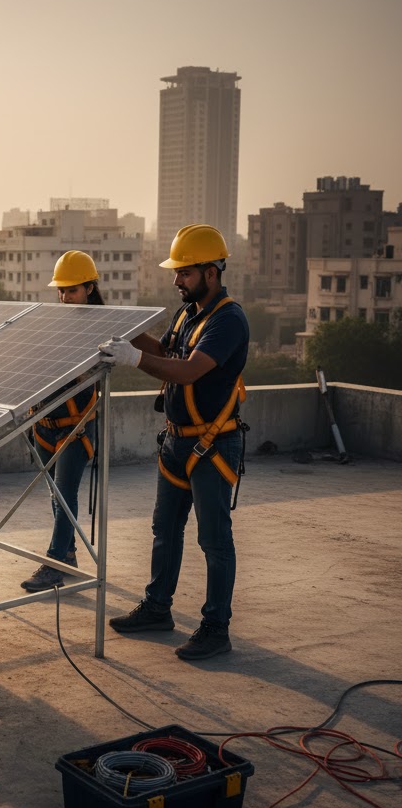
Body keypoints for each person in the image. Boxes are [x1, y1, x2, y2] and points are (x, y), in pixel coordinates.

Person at [99, 224, 248, 660]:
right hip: (176, 442)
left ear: (211, 272)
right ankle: (157, 607)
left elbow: (188, 371)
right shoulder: (188, 314)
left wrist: (133, 358)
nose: (177, 280)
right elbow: (165, 353)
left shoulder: (228, 320)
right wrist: (126, 331)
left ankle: (216, 628)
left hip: (212, 446)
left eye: (184, 272)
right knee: (165, 529)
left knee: (214, 540)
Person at [21, 250, 103, 592]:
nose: (65, 297)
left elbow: (98, 373)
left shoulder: (101, 328)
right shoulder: (51, 324)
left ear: (89, 289)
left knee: (65, 494)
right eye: (62, 291)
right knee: (56, 496)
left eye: (72, 290)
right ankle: (67, 555)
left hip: (76, 427)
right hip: (44, 425)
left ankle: (54, 563)